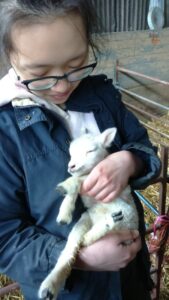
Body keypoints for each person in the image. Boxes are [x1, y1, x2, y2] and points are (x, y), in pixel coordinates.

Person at [0, 1, 161, 300]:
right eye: (41, 72)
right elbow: (4, 234)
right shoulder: (6, 129)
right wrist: (80, 258)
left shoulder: (102, 96)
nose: (61, 85)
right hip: (70, 291)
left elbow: (145, 149)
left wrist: (130, 160)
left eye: (76, 65)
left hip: (129, 278)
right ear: (10, 55)